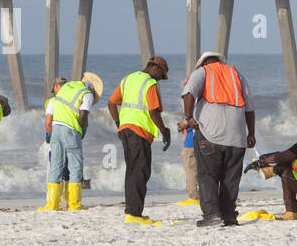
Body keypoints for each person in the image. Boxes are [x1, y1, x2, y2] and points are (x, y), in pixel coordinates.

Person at [180, 52, 255, 228]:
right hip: (237, 137)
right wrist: (251, 133)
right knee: (231, 177)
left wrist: (189, 117)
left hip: (210, 134)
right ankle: (229, 216)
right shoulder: (237, 75)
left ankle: (212, 215)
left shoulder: (202, 72)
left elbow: (188, 94)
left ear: (203, 63)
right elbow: (250, 108)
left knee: (208, 175)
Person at [108, 56, 171, 225]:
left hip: (126, 131)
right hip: (139, 133)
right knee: (140, 172)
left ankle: (132, 211)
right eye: (162, 75)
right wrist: (164, 132)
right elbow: (153, 112)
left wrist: (119, 124)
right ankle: (133, 213)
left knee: (133, 171)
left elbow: (111, 103)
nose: (160, 79)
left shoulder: (128, 79)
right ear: (156, 68)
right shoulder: (149, 83)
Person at [39, 72, 103, 212]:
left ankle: (53, 205)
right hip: (71, 130)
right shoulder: (87, 93)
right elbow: (83, 116)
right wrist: (83, 129)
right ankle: (74, 205)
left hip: (56, 129)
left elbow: (53, 116)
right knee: (75, 167)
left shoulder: (66, 89)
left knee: (56, 165)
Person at [39, 77, 69, 211]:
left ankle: (53, 203)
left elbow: (48, 123)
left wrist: (53, 136)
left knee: (55, 169)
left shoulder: (51, 101)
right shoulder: (55, 102)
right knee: (65, 169)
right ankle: (67, 203)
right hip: (65, 137)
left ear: (56, 87)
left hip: (56, 138)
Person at [176, 69, 200, 207]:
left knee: (191, 170)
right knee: (202, 170)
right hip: (203, 142)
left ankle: (193, 196)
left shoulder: (193, 106)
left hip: (191, 143)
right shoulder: (204, 105)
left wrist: (180, 125)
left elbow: (186, 122)